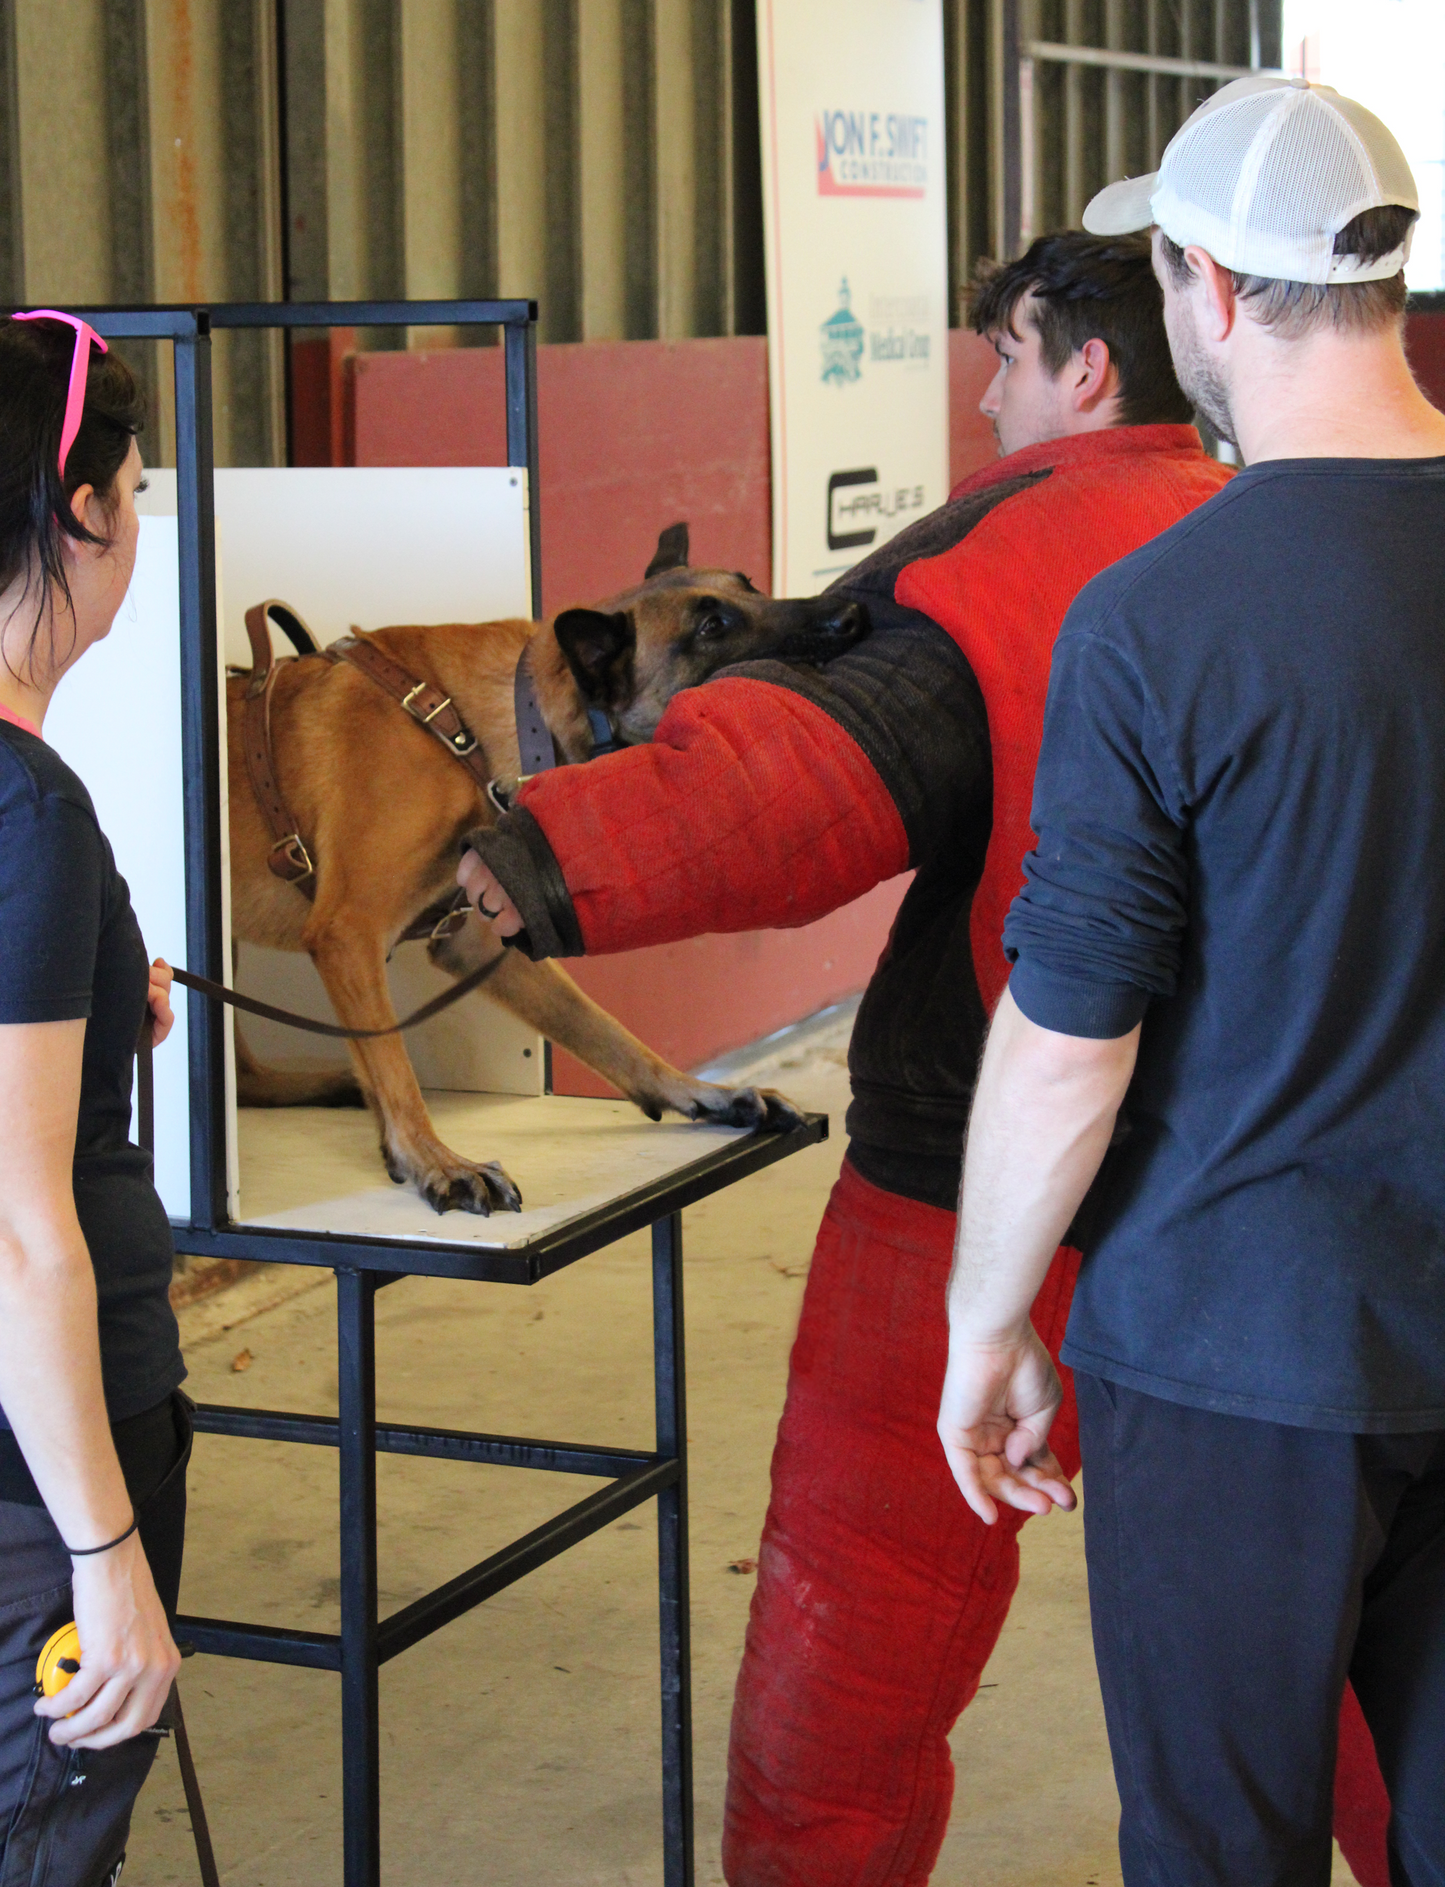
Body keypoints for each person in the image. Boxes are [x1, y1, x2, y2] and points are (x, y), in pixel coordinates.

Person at [459, 232, 1357, 1874]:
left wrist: (534, 855)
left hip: (972, 1188)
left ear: (1085, 367)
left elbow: (799, 796)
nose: (986, 396)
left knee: (846, 1681)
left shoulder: (1018, 562)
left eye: (1004, 359)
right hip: (1284, 1220)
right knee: (1354, 1671)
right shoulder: (1276, 530)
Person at [938, 77, 1444, 1886]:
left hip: (1238, 1356)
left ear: (1206, 291)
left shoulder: (1161, 620)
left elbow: (1071, 1044)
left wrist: (985, 1326)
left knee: (1223, 1850)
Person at [0, 312, 187, 1887]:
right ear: (82, 510)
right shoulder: (22, 807)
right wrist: (106, 1555)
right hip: (35, 1474)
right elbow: (12, 1232)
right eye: (138, 487)